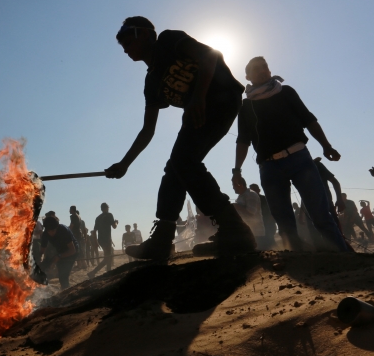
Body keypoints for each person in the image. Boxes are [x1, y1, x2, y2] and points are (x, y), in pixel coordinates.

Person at [104, 17, 255, 261]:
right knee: (175, 167)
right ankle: (162, 239)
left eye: (128, 40)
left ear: (144, 34)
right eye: (122, 45)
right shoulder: (151, 82)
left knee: (185, 161)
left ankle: (235, 230)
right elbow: (147, 130)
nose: (125, 48)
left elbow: (210, 56)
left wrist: (198, 97)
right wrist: (125, 163)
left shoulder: (168, 40)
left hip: (222, 99)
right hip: (196, 112)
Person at [233, 57, 347, 252]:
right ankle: (299, 263)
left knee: (320, 215)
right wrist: (237, 170)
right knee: (283, 220)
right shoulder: (245, 107)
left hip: (300, 159)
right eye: (256, 69)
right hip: (269, 167)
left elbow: (309, 120)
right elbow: (243, 140)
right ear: (248, 77)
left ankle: (343, 257)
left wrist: (326, 146)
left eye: (265, 67)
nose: (263, 71)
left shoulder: (286, 92)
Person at [39, 216, 78, 290]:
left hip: (71, 252)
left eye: (53, 230)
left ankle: (66, 291)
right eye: (49, 231)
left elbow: (73, 250)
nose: (51, 233)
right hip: (59, 252)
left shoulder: (64, 230)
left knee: (63, 275)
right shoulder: (45, 234)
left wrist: (60, 256)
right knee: (56, 272)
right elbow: (42, 250)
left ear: (57, 227)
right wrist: (40, 259)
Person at [88, 203, 118, 278]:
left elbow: (94, 231)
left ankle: (108, 271)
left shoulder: (98, 218)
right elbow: (114, 226)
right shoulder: (109, 215)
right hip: (107, 239)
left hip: (100, 240)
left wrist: (96, 242)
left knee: (108, 256)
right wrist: (116, 222)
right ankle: (93, 272)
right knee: (108, 257)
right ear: (107, 208)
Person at [233, 178, 265, 247]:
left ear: (240, 185)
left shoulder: (251, 194)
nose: (233, 188)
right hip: (247, 232)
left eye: (234, 185)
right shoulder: (241, 196)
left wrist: (237, 207)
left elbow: (251, 213)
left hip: (255, 232)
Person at [249, 183, 277, 249]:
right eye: (252, 190)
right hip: (257, 226)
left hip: (268, 223)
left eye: (255, 190)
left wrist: (272, 218)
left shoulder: (265, 199)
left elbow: (274, 209)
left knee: (269, 239)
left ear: (259, 190)